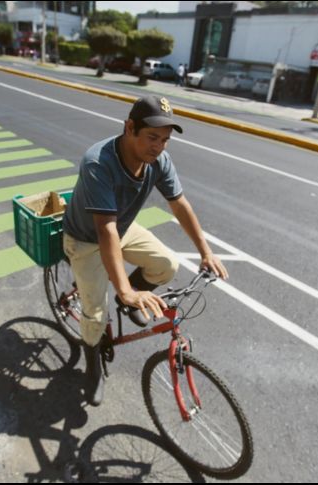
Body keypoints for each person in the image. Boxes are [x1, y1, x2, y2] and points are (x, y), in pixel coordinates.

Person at [62, 95, 228, 406]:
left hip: (121, 227)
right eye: (152, 137)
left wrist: (206, 252)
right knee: (96, 315)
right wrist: (124, 290)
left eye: (165, 140)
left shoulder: (159, 161)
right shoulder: (99, 162)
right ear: (129, 128)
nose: (159, 146)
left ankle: (132, 299)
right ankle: (93, 363)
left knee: (167, 264)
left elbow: (179, 204)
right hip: (86, 238)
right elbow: (104, 230)